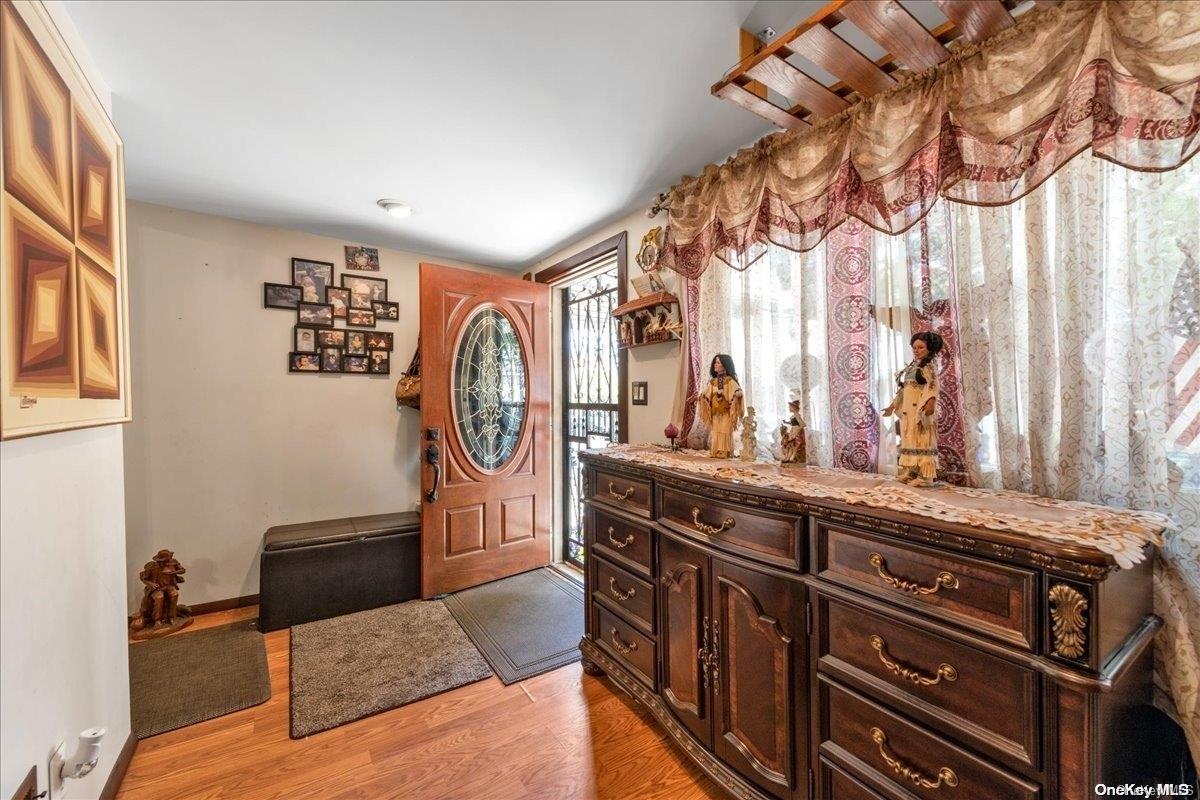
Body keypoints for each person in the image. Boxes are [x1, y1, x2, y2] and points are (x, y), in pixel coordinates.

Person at [882, 331, 943, 486]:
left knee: (922, 440)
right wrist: (892, 406)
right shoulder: (912, 366)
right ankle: (912, 471)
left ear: (929, 348)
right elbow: (904, 389)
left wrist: (930, 402)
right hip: (908, 410)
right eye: (914, 347)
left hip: (919, 409)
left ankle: (926, 477)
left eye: (921, 347)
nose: (916, 350)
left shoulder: (929, 366)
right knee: (910, 439)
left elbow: (933, 386)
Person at [698, 354, 744, 459]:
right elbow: (706, 394)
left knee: (725, 431)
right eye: (715, 362)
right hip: (715, 413)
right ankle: (716, 451)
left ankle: (724, 452)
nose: (715, 364)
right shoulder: (713, 382)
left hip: (726, 412)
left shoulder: (729, 380)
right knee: (716, 432)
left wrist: (738, 394)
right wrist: (700, 398)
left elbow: (737, 390)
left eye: (718, 362)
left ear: (725, 365)